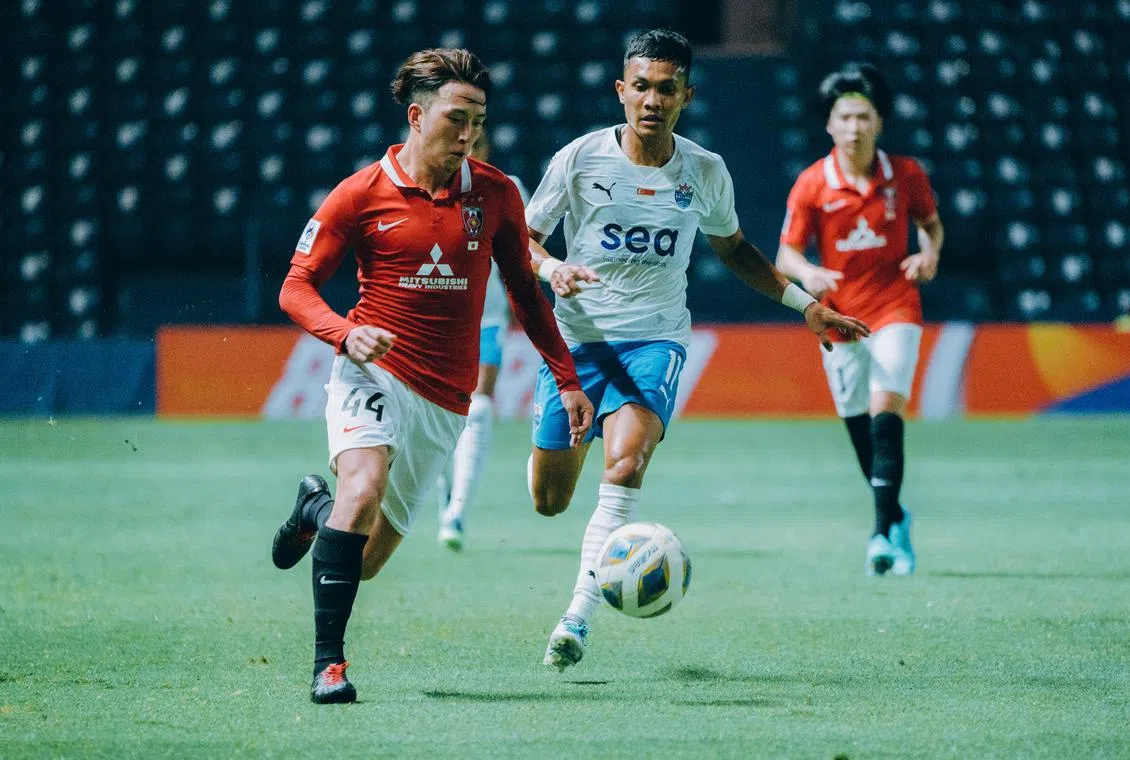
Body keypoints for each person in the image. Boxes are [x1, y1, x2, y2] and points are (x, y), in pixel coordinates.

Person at [524, 29, 871, 671]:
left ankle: (576, 616)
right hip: (577, 343)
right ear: (621, 91)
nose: (652, 101)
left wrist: (808, 306)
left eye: (666, 89)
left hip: (656, 337)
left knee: (626, 465)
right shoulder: (579, 159)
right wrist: (551, 272)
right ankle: (555, 470)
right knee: (549, 501)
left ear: (687, 94)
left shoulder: (704, 170)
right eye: (642, 87)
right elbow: (526, 240)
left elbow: (735, 250)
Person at [268, 48, 593, 703]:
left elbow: (527, 294)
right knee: (362, 489)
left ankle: (313, 510)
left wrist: (566, 377)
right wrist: (345, 332)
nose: (468, 132)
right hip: (372, 371)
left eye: (477, 118)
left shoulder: (497, 195)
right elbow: (296, 287)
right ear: (417, 116)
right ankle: (329, 667)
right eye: (455, 117)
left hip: (447, 400)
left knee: (363, 560)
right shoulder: (361, 194)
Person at [775, 63, 944, 577]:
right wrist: (810, 272)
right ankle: (895, 516)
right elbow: (786, 255)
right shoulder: (811, 184)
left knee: (885, 409)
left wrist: (928, 255)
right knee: (856, 422)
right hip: (838, 317)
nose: (854, 126)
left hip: (896, 307)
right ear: (829, 124)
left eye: (863, 116)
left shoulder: (907, 175)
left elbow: (931, 227)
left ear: (879, 123)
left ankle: (878, 536)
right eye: (844, 117)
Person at [436, 132, 531, 551]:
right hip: (435, 321)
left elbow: (522, 253)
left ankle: (457, 511)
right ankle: (446, 493)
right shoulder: (428, 187)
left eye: (479, 145)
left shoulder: (506, 189)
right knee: (438, 415)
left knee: (479, 408)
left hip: (487, 318)